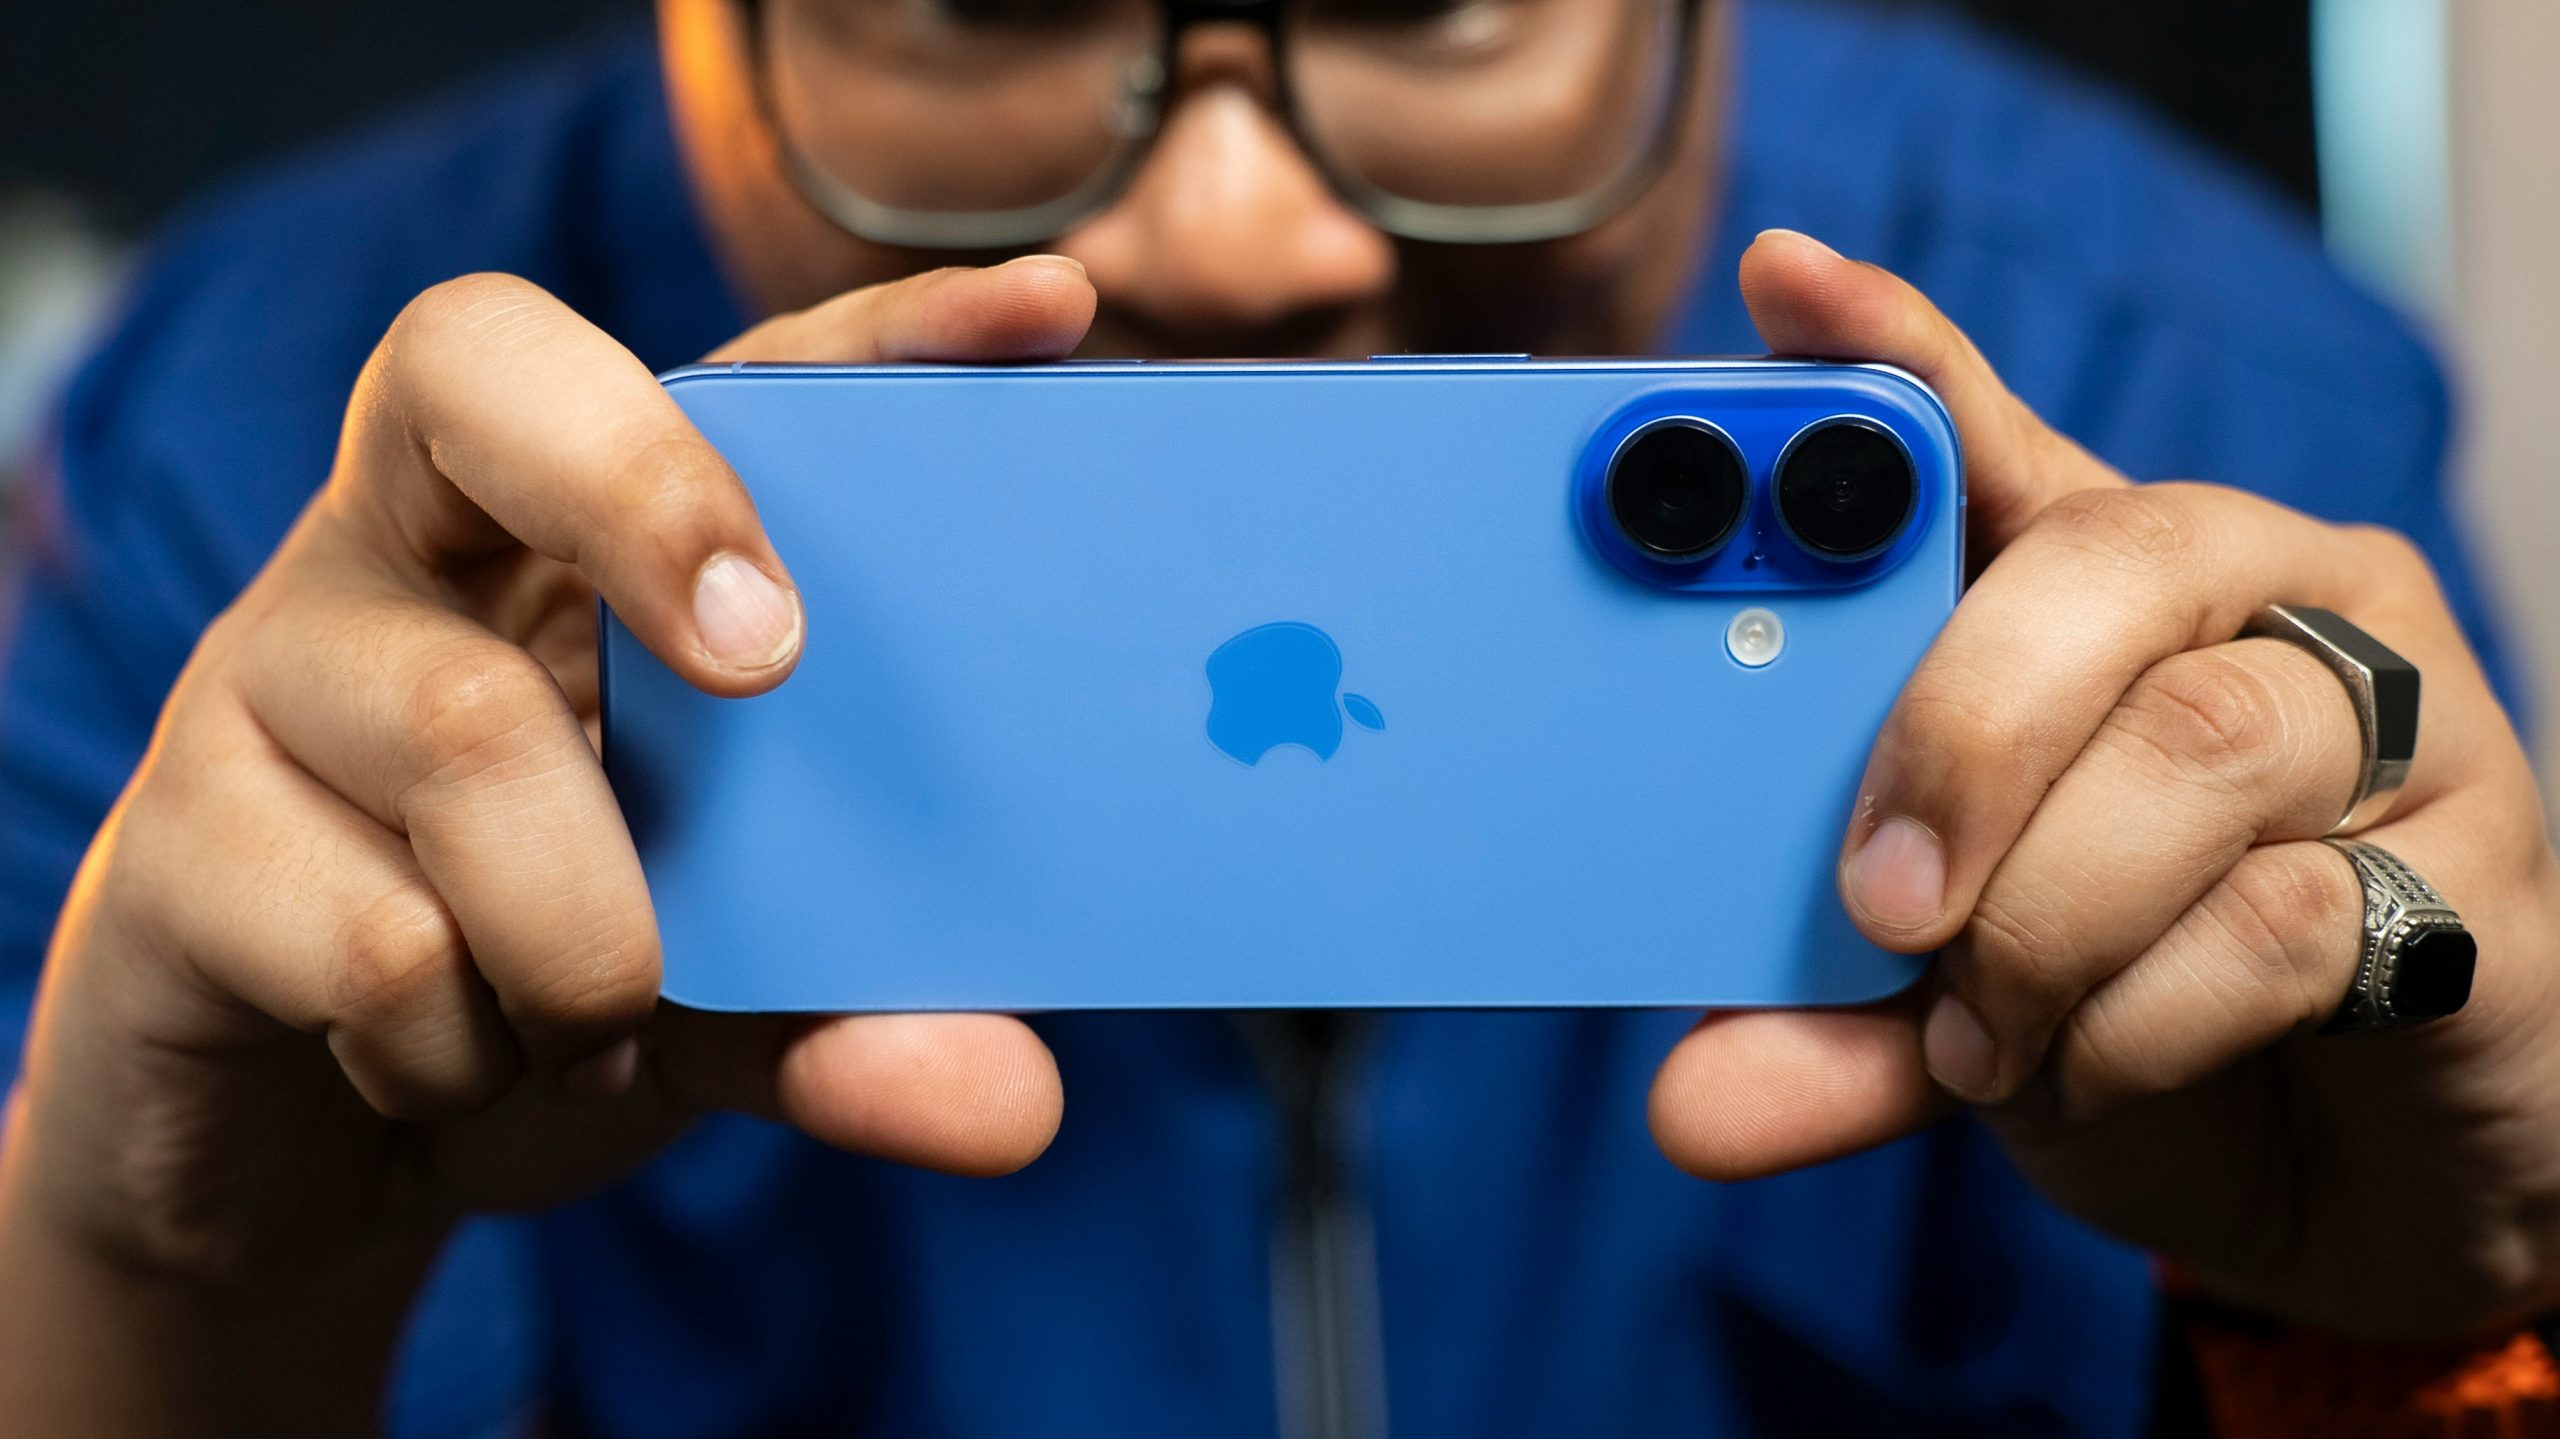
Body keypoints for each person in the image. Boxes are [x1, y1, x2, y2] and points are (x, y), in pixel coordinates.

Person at [2, 0, 2556, 1431]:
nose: (1232, 231)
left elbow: (2423, 1272)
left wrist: (2439, 1344)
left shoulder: (2198, 413)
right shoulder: (245, 467)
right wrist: (157, 1309)